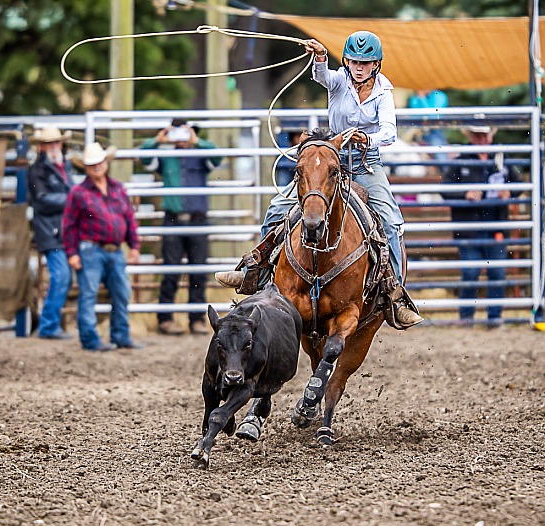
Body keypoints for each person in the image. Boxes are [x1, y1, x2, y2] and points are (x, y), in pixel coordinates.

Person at [216, 31, 422, 328]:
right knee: (277, 207)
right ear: (347, 62)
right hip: (329, 163)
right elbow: (322, 76)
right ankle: (256, 271)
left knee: (390, 220)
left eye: (365, 62)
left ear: (376, 64)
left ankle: (395, 295)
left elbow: (389, 131)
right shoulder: (338, 80)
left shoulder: (383, 93)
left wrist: (367, 137)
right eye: (353, 61)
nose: (359, 67)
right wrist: (321, 57)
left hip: (365, 165)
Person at [140, 119, 222, 336]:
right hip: (173, 219)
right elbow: (144, 157)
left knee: (198, 271)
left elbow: (217, 156)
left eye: (187, 134)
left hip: (197, 218)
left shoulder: (202, 155)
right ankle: (165, 319)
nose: (183, 139)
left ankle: (196, 319)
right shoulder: (165, 157)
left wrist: (198, 142)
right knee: (171, 269)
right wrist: (157, 140)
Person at [62, 142, 143, 351]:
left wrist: (134, 246)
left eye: (99, 162)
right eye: (92, 164)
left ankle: (120, 335)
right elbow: (69, 225)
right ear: (86, 168)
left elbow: (129, 219)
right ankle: (90, 340)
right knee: (88, 294)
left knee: (122, 293)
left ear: (106, 162)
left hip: (114, 250)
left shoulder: (117, 188)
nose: (96, 166)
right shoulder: (78, 192)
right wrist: (72, 253)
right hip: (90, 249)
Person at [443, 126, 520, 326]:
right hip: (469, 227)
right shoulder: (460, 161)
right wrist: (464, 193)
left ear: (491, 134)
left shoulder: (502, 160)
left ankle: (494, 317)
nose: (482, 139)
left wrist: (509, 192)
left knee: (497, 273)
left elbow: (519, 184)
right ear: (470, 136)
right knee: (470, 272)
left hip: (496, 226)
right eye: (477, 135)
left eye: (484, 134)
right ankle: (466, 317)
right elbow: (445, 189)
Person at [28, 125, 74, 340]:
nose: (54, 147)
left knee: (63, 277)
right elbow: (41, 201)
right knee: (61, 276)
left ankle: (49, 324)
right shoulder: (37, 170)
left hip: (61, 230)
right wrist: (73, 200)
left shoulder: (63, 167)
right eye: (49, 144)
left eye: (56, 142)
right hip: (51, 231)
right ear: (41, 147)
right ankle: (48, 325)